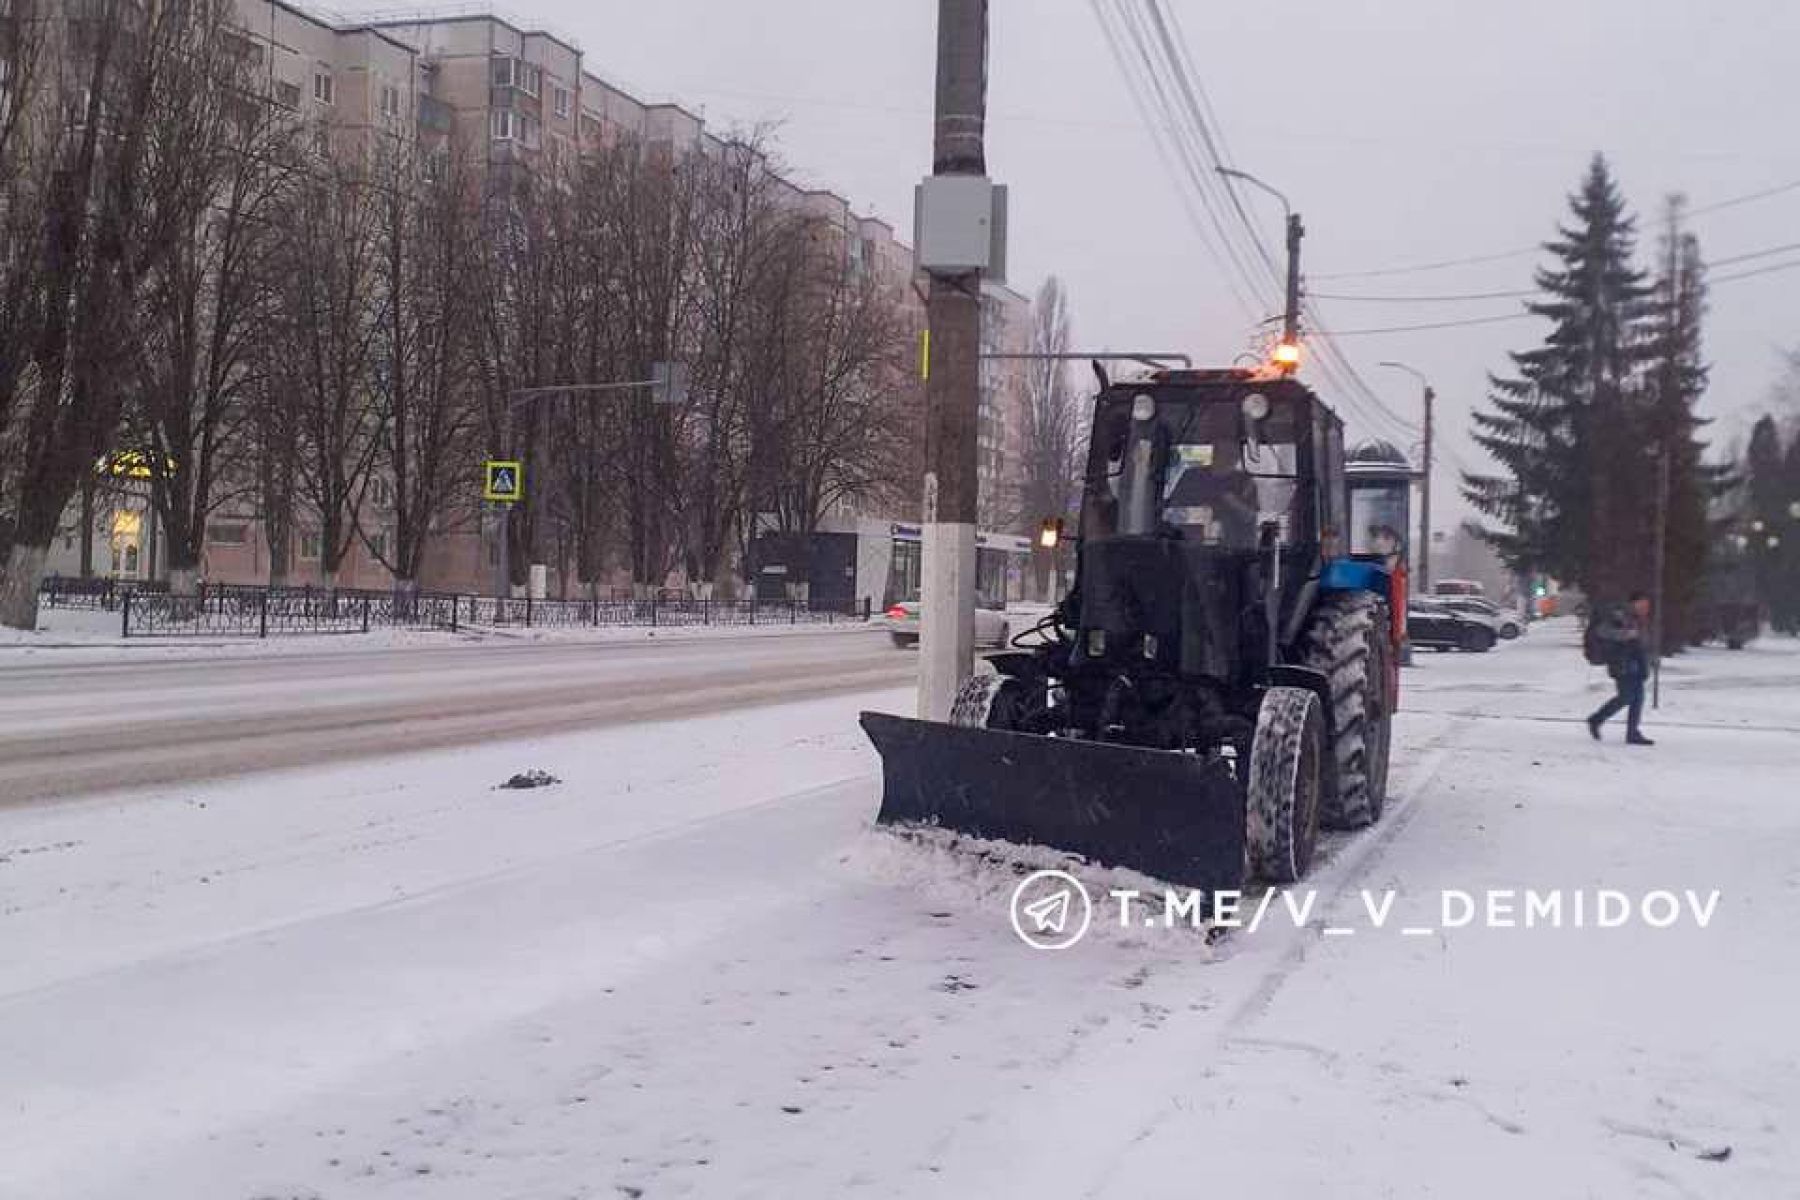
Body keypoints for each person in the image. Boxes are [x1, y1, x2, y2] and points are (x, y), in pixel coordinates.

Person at [1586, 591, 1655, 745]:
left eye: (1647, 605)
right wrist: (1626, 634)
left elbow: (1642, 642)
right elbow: (1603, 632)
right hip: (1621, 663)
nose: (1646, 608)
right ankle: (1596, 719)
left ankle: (1632, 733)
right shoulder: (1620, 616)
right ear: (1634, 603)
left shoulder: (1639, 619)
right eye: (1643, 604)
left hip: (1637, 663)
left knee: (1638, 699)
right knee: (1626, 697)